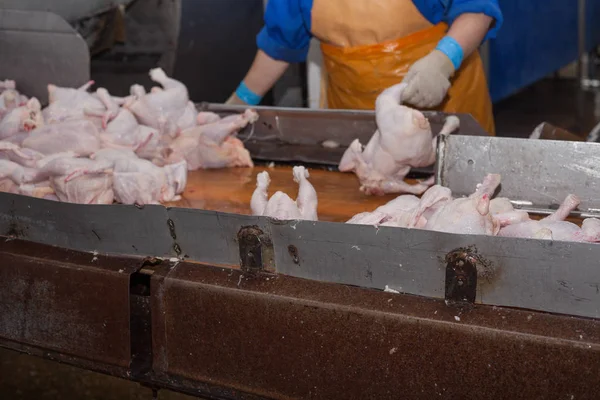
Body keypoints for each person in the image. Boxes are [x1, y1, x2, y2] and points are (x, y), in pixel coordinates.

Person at [226, 0, 503, 135]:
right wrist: (239, 103)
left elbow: (477, 8)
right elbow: (279, 45)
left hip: (444, 107)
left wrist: (443, 61)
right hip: (354, 120)